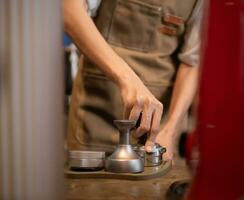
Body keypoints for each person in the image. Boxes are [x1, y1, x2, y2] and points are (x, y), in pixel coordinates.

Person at [64, 0, 202, 161]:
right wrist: (127, 79)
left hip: (161, 128)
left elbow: (192, 60)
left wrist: (170, 129)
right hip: (96, 118)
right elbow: (69, 10)